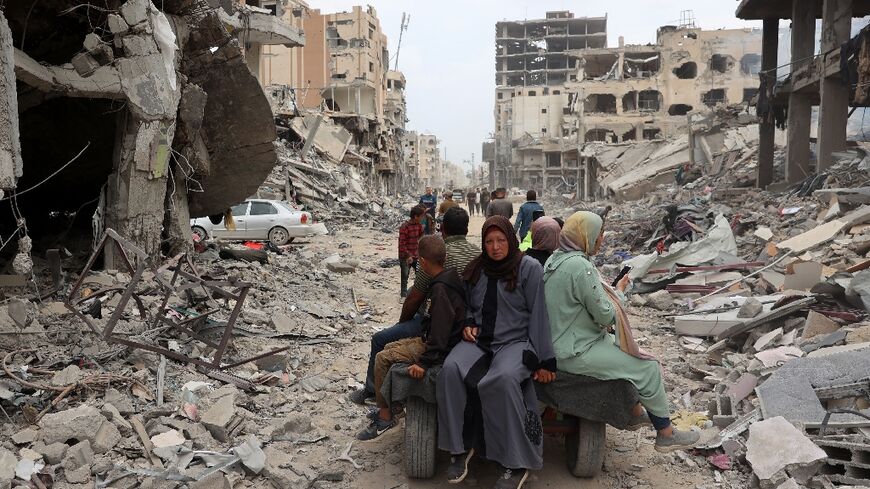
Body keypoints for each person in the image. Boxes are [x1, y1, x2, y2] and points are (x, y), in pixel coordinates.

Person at [543, 211, 700, 453]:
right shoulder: (579, 266)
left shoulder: (556, 260)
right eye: (598, 235)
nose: (601, 239)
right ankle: (666, 435)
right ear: (586, 235)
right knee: (648, 367)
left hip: (564, 344)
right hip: (576, 351)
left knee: (628, 353)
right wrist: (621, 294)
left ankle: (636, 412)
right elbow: (606, 314)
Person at [437, 216, 556, 489]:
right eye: (489, 241)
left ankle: (516, 463)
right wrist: (467, 322)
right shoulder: (477, 268)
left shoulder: (529, 269)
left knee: (501, 380)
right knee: (450, 371)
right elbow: (467, 304)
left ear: (511, 240)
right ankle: (459, 448)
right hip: (479, 342)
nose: (495, 247)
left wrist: (546, 361)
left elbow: (539, 315)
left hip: (514, 343)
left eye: (501, 240)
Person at [348, 207, 480, 405]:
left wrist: (403, 324)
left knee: (380, 339)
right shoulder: (478, 255)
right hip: (468, 322)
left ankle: (374, 393)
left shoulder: (437, 255)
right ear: (467, 230)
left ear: (443, 229)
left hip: (438, 325)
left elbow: (415, 298)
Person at [357, 235, 467, 440]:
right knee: (388, 346)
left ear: (423, 262)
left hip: (436, 349)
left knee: (382, 358)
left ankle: (385, 417)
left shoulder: (440, 290)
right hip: (433, 341)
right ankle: (393, 402)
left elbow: (440, 332)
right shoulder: (448, 278)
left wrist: (425, 363)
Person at [398, 206, 425, 298]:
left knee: (420, 274)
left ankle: (416, 294)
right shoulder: (404, 227)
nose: (423, 218)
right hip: (405, 256)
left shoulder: (419, 226)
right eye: (421, 216)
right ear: (415, 216)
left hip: (416, 255)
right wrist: (408, 256)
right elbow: (402, 244)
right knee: (405, 275)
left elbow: (422, 236)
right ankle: (403, 296)